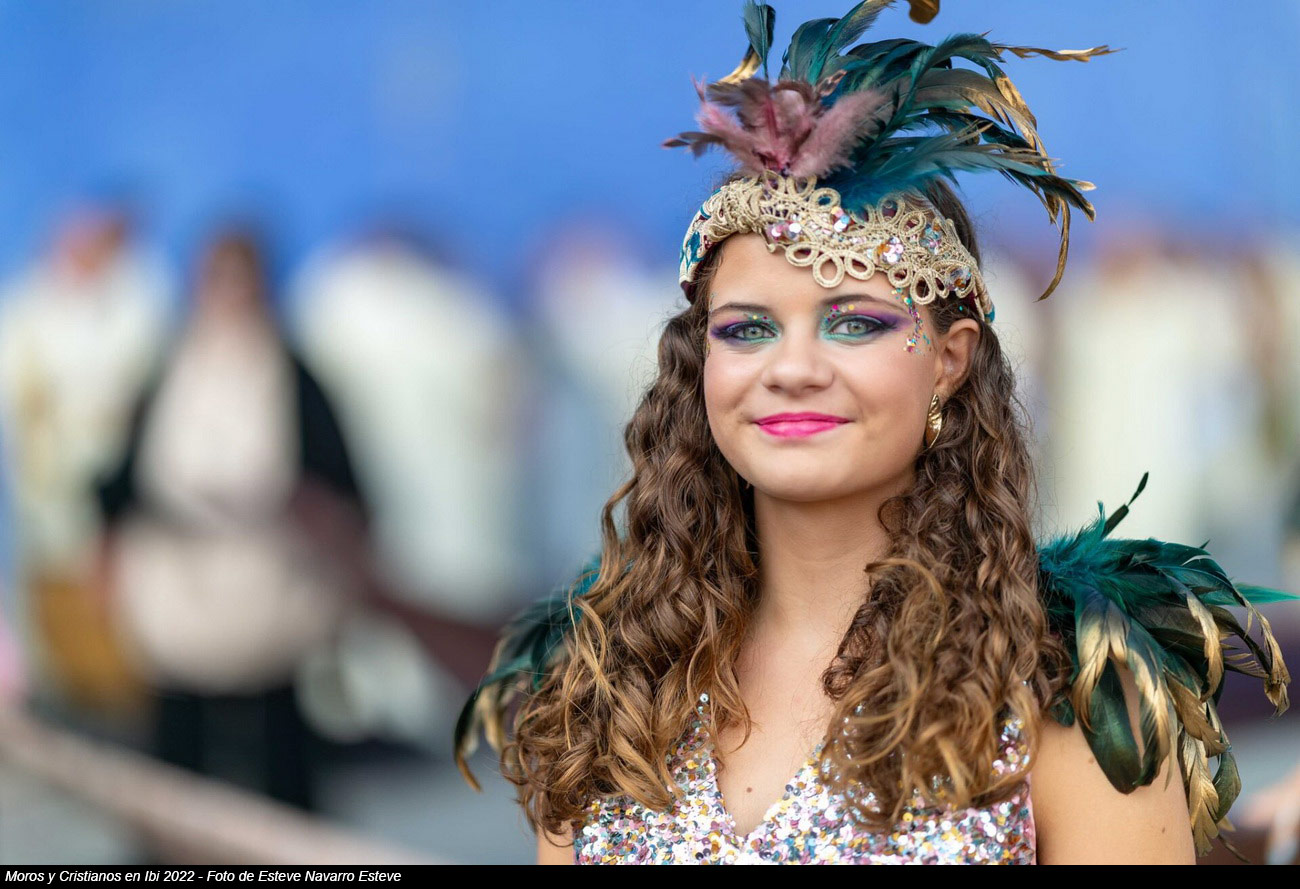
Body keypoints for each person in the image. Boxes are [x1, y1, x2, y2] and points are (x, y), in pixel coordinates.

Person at [454, 1, 1296, 865]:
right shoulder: (611, 675)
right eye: (747, 329)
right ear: (699, 365)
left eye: (853, 322)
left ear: (949, 360)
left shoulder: (1069, 686)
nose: (792, 367)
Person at [93, 224, 370, 812]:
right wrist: (108, 551)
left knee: (280, 743)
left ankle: (293, 843)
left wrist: (346, 558)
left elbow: (337, 477)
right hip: (179, 580)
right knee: (179, 743)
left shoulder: (291, 372)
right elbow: (122, 477)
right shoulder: (168, 367)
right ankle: (169, 845)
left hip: (269, 581)